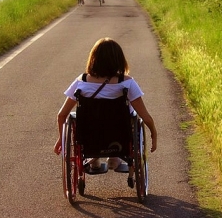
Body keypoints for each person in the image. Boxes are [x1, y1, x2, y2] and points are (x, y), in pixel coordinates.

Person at [54, 37, 158, 188]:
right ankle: (114, 157)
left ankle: (94, 158)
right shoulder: (127, 83)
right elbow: (145, 116)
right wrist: (154, 134)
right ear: (119, 60)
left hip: (89, 134)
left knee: (80, 119)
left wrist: (61, 139)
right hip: (119, 134)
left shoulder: (81, 82)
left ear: (93, 59)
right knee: (130, 118)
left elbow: (62, 115)